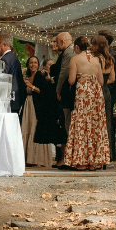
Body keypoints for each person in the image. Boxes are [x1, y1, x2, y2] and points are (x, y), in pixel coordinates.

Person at [65, 34, 112, 170]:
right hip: (96, 93)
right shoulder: (96, 60)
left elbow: (72, 80)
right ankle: (94, 162)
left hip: (82, 93)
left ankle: (82, 161)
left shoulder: (75, 59)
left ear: (77, 47)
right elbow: (102, 82)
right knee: (94, 125)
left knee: (81, 124)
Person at [52, 30, 75, 165]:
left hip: (68, 94)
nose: (54, 44)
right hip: (69, 93)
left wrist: (58, 90)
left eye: (56, 41)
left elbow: (64, 73)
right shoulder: (68, 52)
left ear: (62, 42)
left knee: (68, 123)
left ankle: (68, 158)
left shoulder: (68, 53)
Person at [0, 33, 27, 115]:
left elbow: (1, 78)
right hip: (16, 97)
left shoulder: (5, 59)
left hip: (9, 99)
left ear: (4, 44)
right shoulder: (13, 57)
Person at [98, 29, 116, 165]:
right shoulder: (106, 55)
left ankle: (109, 155)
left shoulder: (111, 56)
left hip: (106, 91)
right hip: (106, 90)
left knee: (107, 123)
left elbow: (113, 79)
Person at [21, 53, 40, 166]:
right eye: (31, 62)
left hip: (37, 104)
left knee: (34, 128)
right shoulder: (26, 77)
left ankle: (36, 158)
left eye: (35, 63)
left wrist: (30, 85)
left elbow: (43, 91)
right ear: (28, 65)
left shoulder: (41, 76)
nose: (33, 64)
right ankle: (26, 158)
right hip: (27, 104)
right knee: (26, 128)